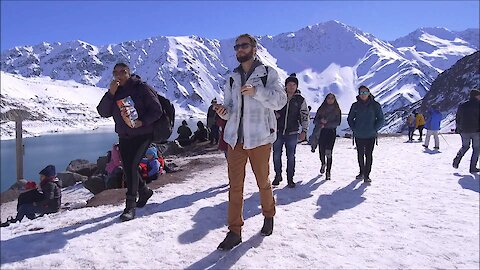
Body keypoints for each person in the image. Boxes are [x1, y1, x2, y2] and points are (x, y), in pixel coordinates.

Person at [213, 33, 287, 250]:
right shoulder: (232, 77)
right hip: (235, 140)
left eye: (244, 46)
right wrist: (223, 111)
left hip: (260, 138)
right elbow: (231, 109)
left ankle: (268, 215)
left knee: (263, 182)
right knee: (235, 187)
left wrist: (257, 92)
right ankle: (234, 231)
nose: (239, 50)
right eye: (236, 47)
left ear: (254, 48)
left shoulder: (267, 74)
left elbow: (280, 101)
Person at [97, 63, 163, 221]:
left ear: (129, 73)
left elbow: (157, 110)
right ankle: (145, 191)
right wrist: (110, 94)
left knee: (132, 165)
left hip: (143, 134)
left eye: (123, 72)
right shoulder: (115, 91)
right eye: (116, 72)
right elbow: (103, 112)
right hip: (125, 135)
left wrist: (142, 122)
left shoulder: (141, 88)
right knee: (127, 168)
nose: (119, 75)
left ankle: (130, 206)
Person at [272, 73, 309, 187]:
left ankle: (290, 178)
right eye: (289, 84)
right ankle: (278, 175)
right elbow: (269, 109)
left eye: (294, 84)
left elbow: (304, 115)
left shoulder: (300, 100)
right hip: (278, 131)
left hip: (292, 132)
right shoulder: (279, 96)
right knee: (276, 155)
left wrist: (304, 130)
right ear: (286, 85)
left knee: (291, 156)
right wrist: (274, 115)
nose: (291, 86)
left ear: (296, 86)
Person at [347, 85, 385, 183]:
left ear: (369, 93)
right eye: (361, 93)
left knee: (368, 155)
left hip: (370, 135)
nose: (363, 95)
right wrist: (354, 128)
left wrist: (375, 129)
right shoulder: (355, 105)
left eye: (365, 92)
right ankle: (361, 172)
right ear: (358, 94)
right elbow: (350, 119)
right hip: (359, 134)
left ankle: (367, 175)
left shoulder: (375, 105)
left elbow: (381, 119)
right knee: (360, 154)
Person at [312, 93, 341, 180]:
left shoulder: (337, 110)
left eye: (332, 98)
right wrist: (321, 122)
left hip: (331, 132)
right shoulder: (321, 109)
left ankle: (328, 171)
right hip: (322, 132)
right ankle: (323, 163)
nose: (330, 100)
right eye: (329, 98)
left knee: (329, 152)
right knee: (321, 151)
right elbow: (315, 121)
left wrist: (327, 124)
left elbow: (338, 122)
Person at [453, 89, 480, 173]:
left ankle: (457, 159)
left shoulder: (462, 105)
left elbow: (458, 117)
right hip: (476, 130)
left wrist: (458, 128)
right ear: (476, 96)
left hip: (464, 130)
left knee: (465, 146)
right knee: (476, 149)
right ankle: (472, 168)